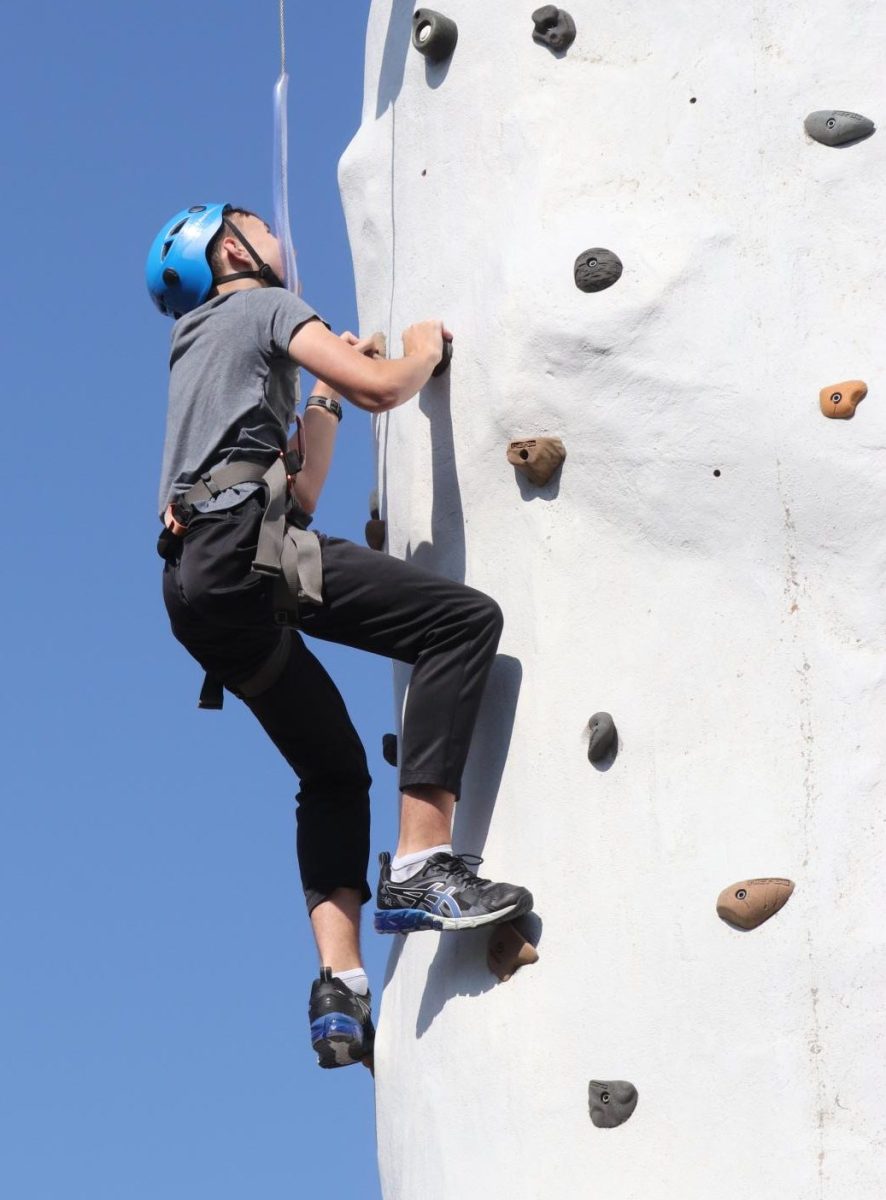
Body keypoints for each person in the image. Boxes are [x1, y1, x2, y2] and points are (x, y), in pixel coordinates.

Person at [146, 203, 533, 1069]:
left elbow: (305, 493)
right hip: (247, 556)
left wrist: (320, 393)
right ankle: (426, 865)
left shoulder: (206, 344)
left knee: (332, 770)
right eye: (257, 224)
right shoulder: (261, 305)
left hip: (197, 588)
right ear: (232, 250)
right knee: (460, 621)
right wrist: (421, 352)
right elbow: (385, 390)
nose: (280, 238)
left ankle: (340, 983)